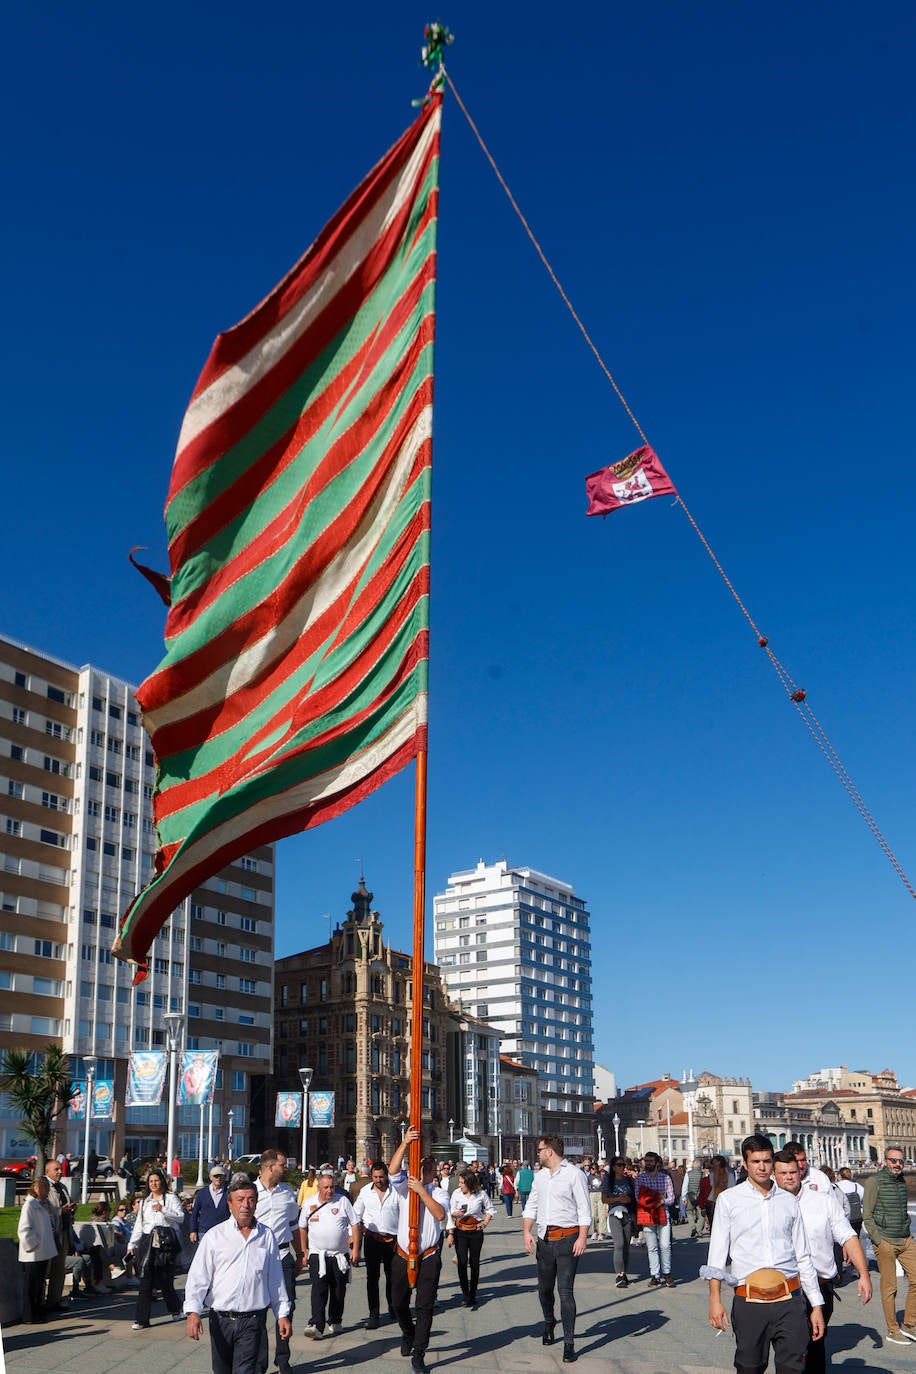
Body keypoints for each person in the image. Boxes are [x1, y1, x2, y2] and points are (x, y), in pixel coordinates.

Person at [702, 1134, 824, 1374]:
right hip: (749, 1302)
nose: (762, 1167)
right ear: (745, 1164)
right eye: (755, 1161)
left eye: (766, 1161)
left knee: (793, 1368)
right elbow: (716, 1255)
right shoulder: (729, 1200)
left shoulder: (789, 1201)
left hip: (790, 1300)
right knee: (749, 1368)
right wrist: (715, 1301)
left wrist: (816, 1305)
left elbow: (803, 1257)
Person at [773, 1148, 871, 1372]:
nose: (790, 1176)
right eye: (783, 1172)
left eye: (794, 1170)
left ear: (801, 1171)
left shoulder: (823, 1202)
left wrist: (864, 1274)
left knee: (815, 1348)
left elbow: (848, 1236)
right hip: (783, 1290)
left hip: (820, 1285)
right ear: (775, 1174)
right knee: (790, 1352)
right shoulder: (768, 1205)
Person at [185, 1174, 291, 1374]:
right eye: (240, 1200)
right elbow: (198, 1277)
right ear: (230, 1204)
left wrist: (282, 1313)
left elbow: (275, 1279)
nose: (246, 1205)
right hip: (220, 1320)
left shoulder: (266, 1236)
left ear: (256, 1204)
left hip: (252, 1320)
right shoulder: (215, 1236)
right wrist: (193, 1312)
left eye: (251, 1200)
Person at [523, 1134, 591, 1365]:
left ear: (550, 1151)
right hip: (544, 1240)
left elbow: (584, 1208)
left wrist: (582, 1237)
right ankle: (549, 1321)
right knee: (544, 1289)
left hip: (568, 1239)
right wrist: (526, 1232)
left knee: (565, 1291)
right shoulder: (540, 1177)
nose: (538, 1154)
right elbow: (531, 1205)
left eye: (540, 1150)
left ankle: (569, 1343)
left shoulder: (574, 1174)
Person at [388, 1127, 450, 1374]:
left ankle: (419, 1353)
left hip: (428, 1256)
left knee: (425, 1306)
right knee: (398, 1303)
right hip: (403, 1253)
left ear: (434, 1171)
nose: (424, 1167)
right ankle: (408, 1332)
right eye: (421, 1163)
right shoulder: (405, 1185)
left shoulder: (439, 1191)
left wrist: (422, 1191)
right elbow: (392, 1171)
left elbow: (440, 1214)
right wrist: (404, 1143)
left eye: (428, 1165)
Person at [862, 1144, 916, 1346]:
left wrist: (908, 1232)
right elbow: (867, 1215)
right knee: (890, 1287)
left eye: (900, 1161)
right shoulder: (874, 1181)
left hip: (905, 1239)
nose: (897, 1164)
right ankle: (893, 1330)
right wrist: (879, 1240)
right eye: (893, 1160)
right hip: (885, 1240)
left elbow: (902, 1211)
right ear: (885, 1161)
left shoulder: (902, 1182)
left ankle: (909, 1324)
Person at [254, 1150, 302, 1374]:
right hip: (258, 1257)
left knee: (287, 1307)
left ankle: (283, 1360)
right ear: (271, 1167)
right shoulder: (250, 1193)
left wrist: (300, 1254)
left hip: (283, 1256)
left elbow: (294, 1224)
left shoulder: (287, 1193)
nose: (286, 1168)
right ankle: (259, 1362)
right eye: (283, 1165)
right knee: (259, 1311)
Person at [298, 1167, 359, 1339]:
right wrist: (304, 1250)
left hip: (340, 1255)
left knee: (338, 1289)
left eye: (332, 1187)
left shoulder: (342, 1201)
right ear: (319, 1187)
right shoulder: (309, 1203)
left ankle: (335, 1319)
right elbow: (302, 1227)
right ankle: (316, 1324)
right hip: (318, 1254)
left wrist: (355, 1249)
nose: (329, 1190)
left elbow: (355, 1224)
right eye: (326, 1187)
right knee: (319, 1289)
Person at [126, 1167, 185, 1328]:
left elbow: (180, 1217)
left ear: (162, 1182)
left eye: (156, 1180)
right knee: (145, 1280)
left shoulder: (171, 1198)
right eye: (151, 1181)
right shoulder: (145, 1201)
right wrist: (132, 1245)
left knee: (166, 1280)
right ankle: (141, 1319)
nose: (154, 1184)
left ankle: (175, 1309)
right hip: (147, 1242)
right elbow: (139, 1225)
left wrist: (163, 1209)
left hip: (165, 1243)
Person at [353, 1159, 400, 1328]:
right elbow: (355, 1215)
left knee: (392, 1276)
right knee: (372, 1278)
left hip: (392, 1240)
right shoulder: (366, 1191)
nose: (378, 1180)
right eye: (375, 1177)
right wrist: (353, 1239)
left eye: (381, 1177)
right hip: (372, 1239)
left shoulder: (396, 1191)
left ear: (386, 1175)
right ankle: (374, 1314)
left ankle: (394, 1307)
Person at [446, 1166, 494, 1308]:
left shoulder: (480, 1194)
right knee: (461, 1261)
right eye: (459, 1182)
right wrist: (455, 1214)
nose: (459, 1185)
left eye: (462, 1183)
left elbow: (490, 1209)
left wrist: (484, 1222)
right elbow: (450, 1210)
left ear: (469, 1183)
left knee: (474, 1262)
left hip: (475, 1231)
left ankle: (473, 1293)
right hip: (461, 1231)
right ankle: (465, 1294)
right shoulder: (456, 1193)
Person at [18, 1177, 57, 1322]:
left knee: (39, 1285)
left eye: (48, 1187)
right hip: (33, 1253)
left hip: (41, 1252)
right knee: (32, 1286)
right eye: (45, 1187)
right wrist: (34, 1244)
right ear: (36, 1188)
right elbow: (23, 1230)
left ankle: (37, 1312)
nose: (47, 1190)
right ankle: (30, 1315)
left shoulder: (40, 1204)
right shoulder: (30, 1205)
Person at [635, 1151, 675, 1288]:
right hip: (647, 1215)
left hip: (663, 1214)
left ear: (657, 1163)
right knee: (651, 1247)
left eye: (651, 1161)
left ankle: (667, 1272)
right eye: (646, 1161)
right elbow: (639, 1197)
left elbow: (671, 1198)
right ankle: (655, 1275)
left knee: (665, 1245)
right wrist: (659, 1198)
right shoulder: (640, 1178)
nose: (648, 1163)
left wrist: (654, 1198)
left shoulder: (665, 1178)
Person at [43, 1157, 76, 1311]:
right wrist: (59, 1211)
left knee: (59, 1268)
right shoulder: (44, 1187)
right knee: (46, 1267)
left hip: (63, 1231)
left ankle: (54, 1300)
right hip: (49, 1234)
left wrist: (70, 1210)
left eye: (59, 1169)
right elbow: (43, 1209)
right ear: (47, 1171)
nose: (59, 1172)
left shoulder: (62, 1186)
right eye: (56, 1169)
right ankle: (40, 1300)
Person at [602, 1156, 636, 1288]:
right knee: (619, 1244)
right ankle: (618, 1275)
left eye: (623, 1165)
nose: (622, 1167)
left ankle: (624, 1273)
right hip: (614, 1213)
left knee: (626, 1246)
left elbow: (634, 1197)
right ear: (613, 1167)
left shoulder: (629, 1180)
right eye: (619, 1165)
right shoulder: (608, 1181)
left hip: (628, 1214)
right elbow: (604, 1199)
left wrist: (628, 1200)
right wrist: (617, 1199)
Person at [190, 1163, 230, 1242]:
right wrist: (193, 1230)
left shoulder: (228, 1193)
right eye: (216, 1176)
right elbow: (194, 1213)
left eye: (220, 1176)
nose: (218, 1178)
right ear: (210, 1177)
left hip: (223, 1232)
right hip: (204, 1231)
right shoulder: (202, 1193)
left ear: (224, 1177)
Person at [587, 1163, 608, 1240]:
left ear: (596, 1169)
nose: (591, 1170)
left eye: (593, 1168)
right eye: (590, 1169)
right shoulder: (589, 1177)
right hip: (592, 1194)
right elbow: (587, 1186)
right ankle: (594, 1231)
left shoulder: (602, 1176)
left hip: (601, 1194)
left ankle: (601, 1232)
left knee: (601, 1214)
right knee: (593, 1214)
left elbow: (606, 1185)